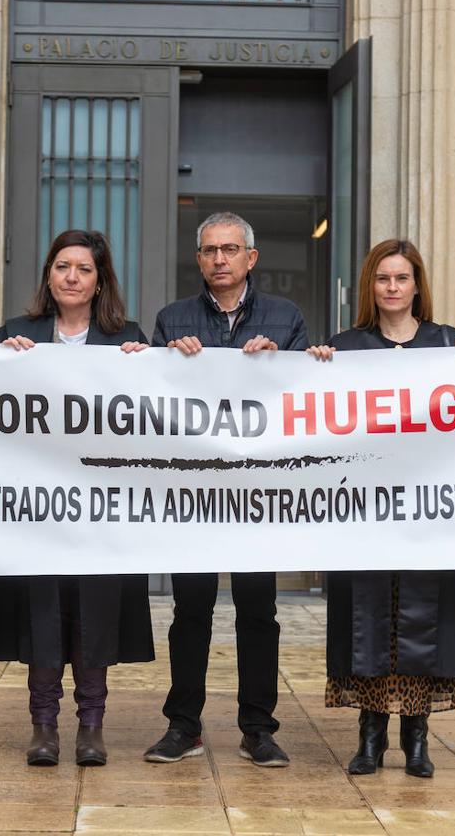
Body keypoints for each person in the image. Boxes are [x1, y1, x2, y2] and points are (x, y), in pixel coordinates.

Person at [306, 239, 455, 778]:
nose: (391, 288)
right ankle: (370, 735)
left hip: (430, 513)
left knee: (423, 619)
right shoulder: (346, 347)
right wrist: (314, 369)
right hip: (365, 512)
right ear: (370, 286)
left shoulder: (450, 345)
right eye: (382, 279)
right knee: (369, 620)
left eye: (401, 278)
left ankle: (418, 737)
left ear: (416, 285)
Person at [143, 211, 308, 768]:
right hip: (194, 495)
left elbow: (310, 394)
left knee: (258, 612)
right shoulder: (172, 320)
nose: (220, 259)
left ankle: (258, 728)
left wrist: (284, 363)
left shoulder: (286, 318)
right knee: (190, 610)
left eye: (230, 249)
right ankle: (182, 725)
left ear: (251, 258)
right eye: (210, 250)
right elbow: (146, 402)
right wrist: (166, 360)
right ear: (199, 259)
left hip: (259, 495)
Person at [0, 229, 155, 767]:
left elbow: (148, 420)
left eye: (83, 269)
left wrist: (145, 366)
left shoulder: (126, 337)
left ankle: (91, 727)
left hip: (100, 514)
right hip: (37, 512)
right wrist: (1, 362)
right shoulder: (16, 336)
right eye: (62, 266)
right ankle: (43, 728)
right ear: (48, 274)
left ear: (99, 279)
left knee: (95, 614)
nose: (71, 277)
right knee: (43, 614)